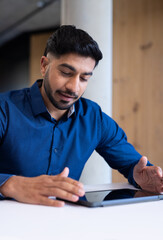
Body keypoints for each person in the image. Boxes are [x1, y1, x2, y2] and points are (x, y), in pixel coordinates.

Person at [0, 25, 162, 207]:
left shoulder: (94, 118)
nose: (74, 87)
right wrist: (10, 184)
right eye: (66, 73)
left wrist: (141, 177)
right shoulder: (4, 109)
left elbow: (133, 165)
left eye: (84, 78)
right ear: (44, 66)